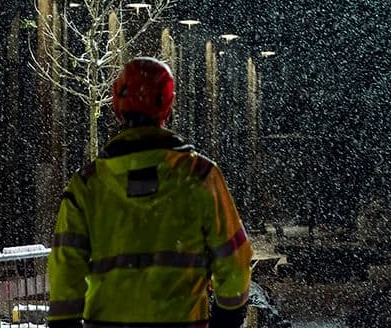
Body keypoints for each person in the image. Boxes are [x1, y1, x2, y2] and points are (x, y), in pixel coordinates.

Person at [48, 57, 252, 328]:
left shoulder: (86, 186)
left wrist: (65, 322)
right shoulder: (201, 177)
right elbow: (234, 261)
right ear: (167, 105)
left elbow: (65, 269)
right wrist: (227, 318)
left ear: (116, 106)